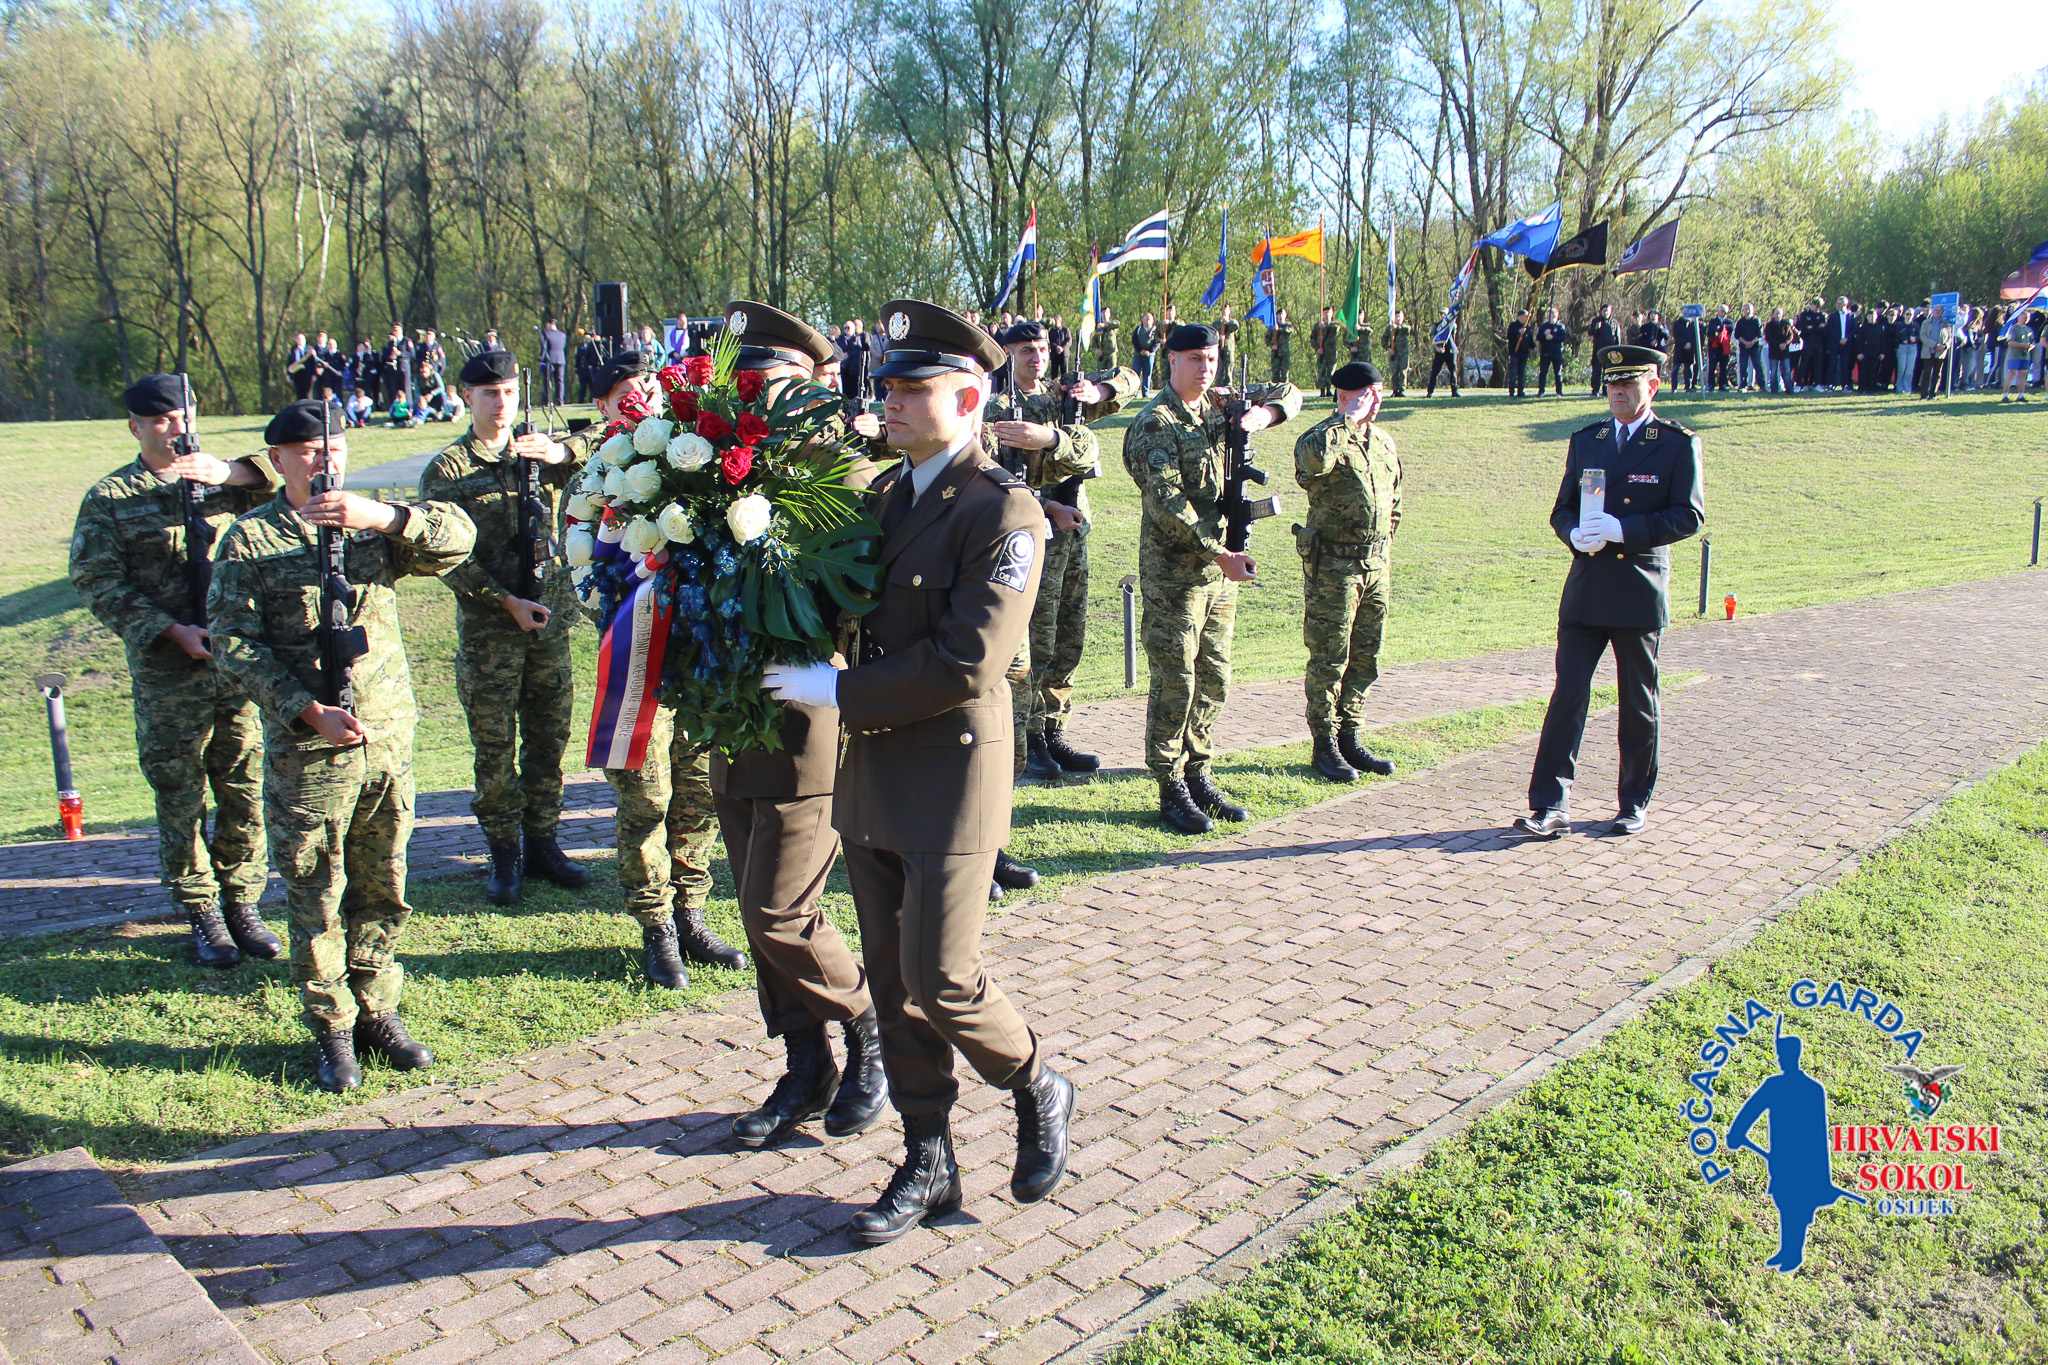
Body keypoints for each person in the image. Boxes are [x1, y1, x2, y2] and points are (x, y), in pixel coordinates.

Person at [756, 299, 1074, 1244]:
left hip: (952, 776)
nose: (889, 401)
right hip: (874, 775)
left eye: (911, 388)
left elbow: (968, 659)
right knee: (893, 985)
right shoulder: (883, 498)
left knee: (944, 976)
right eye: (887, 386)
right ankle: (928, 1159)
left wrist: (837, 689)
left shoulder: (1003, 510)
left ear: (968, 398)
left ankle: (1035, 1080)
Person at [210, 399, 477, 1090]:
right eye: (305, 451)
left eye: (332, 448)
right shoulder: (250, 539)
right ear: (278, 461)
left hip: (384, 738)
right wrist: (304, 710)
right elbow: (232, 644)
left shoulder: (371, 522)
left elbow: (458, 540)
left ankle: (377, 1007)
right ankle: (332, 1026)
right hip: (310, 751)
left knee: (384, 884)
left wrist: (384, 517)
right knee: (317, 892)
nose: (321, 460)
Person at [695, 301, 889, 1150]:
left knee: (781, 910)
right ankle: (806, 1065)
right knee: (752, 908)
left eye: (767, 382)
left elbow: (865, 596)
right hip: (730, 719)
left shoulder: (845, 476)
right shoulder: (709, 470)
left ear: (809, 385)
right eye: (740, 381)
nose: (751, 397)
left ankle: (871, 1028)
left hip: (810, 719)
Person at [69, 375, 282, 968]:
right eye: (160, 420)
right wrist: (169, 631)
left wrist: (226, 472)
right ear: (135, 426)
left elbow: (282, 478)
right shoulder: (112, 497)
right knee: (179, 789)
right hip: (169, 670)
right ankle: (201, 910)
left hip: (235, 664)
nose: (175, 429)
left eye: (184, 416)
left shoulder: (219, 480)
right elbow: (96, 580)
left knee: (243, 784)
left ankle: (243, 902)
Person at [582, 351, 751, 987]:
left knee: (699, 790)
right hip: (637, 666)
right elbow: (584, 573)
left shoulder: (693, 459)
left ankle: (692, 914)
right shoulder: (596, 479)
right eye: (624, 394)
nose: (640, 400)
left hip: (697, 658)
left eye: (647, 388)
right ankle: (656, 927)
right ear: (604, 406)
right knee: (645, 798)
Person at [416, 349, 594, 909]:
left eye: (510, 392)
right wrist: (504, 601)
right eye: (490, 393)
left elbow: (613, 439)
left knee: (548, 741)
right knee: (494, 749)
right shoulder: (448, 470)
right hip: (490, 633)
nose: (501, 403)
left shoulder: (538, 451)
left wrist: (562, 450)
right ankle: (504, 853)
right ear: (466, 396)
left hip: (549, 626)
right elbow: (442, 557)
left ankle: (543, 843)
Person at [1514, 344, 1704, 840]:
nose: (1616, 392)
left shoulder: (1676, 443)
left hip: (1638, 587)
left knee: (1636, 701)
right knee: (1567, 696)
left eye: (1627, 384)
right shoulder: (1588, 440)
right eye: (1611, 384)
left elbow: (1689, 515)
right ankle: (1550, 805)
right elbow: (1562, 508)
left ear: (1653, 386)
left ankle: (1633, 802)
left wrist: (1626, 530)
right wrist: (1572, 533)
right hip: (1587, 587)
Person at [1123, 322, 1302, 833]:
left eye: (1211, 358)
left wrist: (1263, 414)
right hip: (1175, 575)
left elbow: (1290, 392)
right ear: (1171, 361)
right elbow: (1168, 504)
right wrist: (1219, 552)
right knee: (1175, 680)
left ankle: (1198, 770)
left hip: (1218, 574)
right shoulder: (1155, 424)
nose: (1205, 368)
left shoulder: (1219, 405)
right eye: (1195, 359)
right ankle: (1169, 784)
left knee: (1214, 675)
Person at [987, 321, 1134, 788]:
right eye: (1026, 350)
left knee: (1070, 637)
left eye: (1042, 349)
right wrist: (1047, 505)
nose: (1036, 358)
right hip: (1032, 540)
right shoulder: (998, 408)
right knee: (1037, 643)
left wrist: (1099, 391)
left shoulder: (1064, 395)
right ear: (1008, 355)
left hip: (1073, 539)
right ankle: (1028, 738)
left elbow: (1131, 381)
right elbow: (994, 477)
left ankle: (1054, 730)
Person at [1295, 362, 1401, 784]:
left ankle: (1351, 735)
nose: (1376, 402)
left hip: (1375, 565)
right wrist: (1346, 419)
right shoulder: (1324, 438)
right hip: (1334, 568)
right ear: (1345, 396)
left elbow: (1394, 503)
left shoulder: (1383, 441)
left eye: (1379, 394)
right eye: (1368, 395)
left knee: (1365, 655)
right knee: (1329, 657)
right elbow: (1312, 464)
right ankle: (1324, 743)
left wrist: (1382, 548)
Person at [1917, 304, 1953, 399]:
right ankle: (1924, 393)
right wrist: (1934, 345)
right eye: (1936, 310)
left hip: (1940, 353)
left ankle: (1933, 393)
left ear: (1942, 312)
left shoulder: (1946, 324)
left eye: (1939, 310)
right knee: (1926, 373)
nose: (1937, 312)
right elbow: (1923, 336)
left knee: (1937, 374)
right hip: (1928, 351)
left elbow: (1950, 337)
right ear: (1933, 311)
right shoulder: (1926, 322)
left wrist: (1945, 346)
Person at [1584, 304, 1620, 393]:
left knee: (1608, 371)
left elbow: (1618, 336)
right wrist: (1596, 328)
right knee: (1597, 370)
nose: (1606, 312)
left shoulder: (1614, 322)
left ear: (1611, 312)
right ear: (1601, 311)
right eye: (1604, 310)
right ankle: (1595, 390)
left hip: (1611, 350)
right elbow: (1590, 332)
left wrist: (1617, 349)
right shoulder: (1596, 321)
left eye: (1608, 311)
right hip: (1599, 350)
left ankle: (1606, 390)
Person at [1535, 307, 1569, 397]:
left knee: (1558, 373)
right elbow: (1538, 337)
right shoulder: (1544, 326)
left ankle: (1559, 391)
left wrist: (1553, 337)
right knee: (1543, 372)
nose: (1550, 317)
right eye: (1548, 315)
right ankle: (1541, 391)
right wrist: (1544, 334)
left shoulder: (1560, 327)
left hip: (1556, 352)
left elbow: (1563, 338)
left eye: (1552, 315)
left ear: (1556, 315)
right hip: (1545, 352)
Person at [1795, 298, 1828, 390]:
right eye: (1816, 306)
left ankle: (1817, 383)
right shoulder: (1804, 315)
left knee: (1818, 363)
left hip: (1818, 342)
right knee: (1803, 363)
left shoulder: (1822, 315)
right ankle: (1798, 384)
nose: (1817, 308)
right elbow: (1804, 329)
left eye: (1819, 307)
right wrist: (1816, 327)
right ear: (1812, 304)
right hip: (1807, 342)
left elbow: (1824, 330)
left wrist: (1812, 327)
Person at [1424, 315, 1459, 397]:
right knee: (1435, 371)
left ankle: (1455, 391)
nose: (1443, 315)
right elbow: (1432, 338)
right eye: (1441, 314)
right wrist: (1437, 348)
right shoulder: (1436, 325)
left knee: (1453, 371)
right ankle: (1430, 391)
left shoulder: (1452, 324)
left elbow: (1454, 330)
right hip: (1440, 351)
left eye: (1444, 314)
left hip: (1451, 350)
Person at [1310, 305, 1342, 397]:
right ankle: (1322, 390)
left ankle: (1329, 389)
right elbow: (1312, 338)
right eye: (1325, 312)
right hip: (1322, 352)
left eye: (1329, 312)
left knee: (1331, 372)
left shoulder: (1335, 324)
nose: (1327, 314)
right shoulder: (1318, 326)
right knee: (1321, 371)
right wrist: (1317, 348)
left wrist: (1325, 326)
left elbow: (1335, 329)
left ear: (1332, 313)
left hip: (1332, 352)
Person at [1827, 296, 1856, 390]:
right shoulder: (1832, 316)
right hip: (1835, 343)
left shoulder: (1851, 316)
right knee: (1832, 364)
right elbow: (1830, 329)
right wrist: (1838, 339)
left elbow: (1854, 329)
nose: (1838, 305)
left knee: (1845, 365)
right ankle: (1830, 384)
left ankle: (1845, 385)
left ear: (1845, 304)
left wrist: (1846, 338)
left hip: (1847, 344)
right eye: (1837, 303)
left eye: (1840, 303)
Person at [1733, 304, 1764, 391]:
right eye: (1746, 309)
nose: (1747, 311)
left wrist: (1752, 342)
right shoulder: (1740, 322)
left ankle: (1761, 385)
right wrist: (1745, 342)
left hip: (1754, 347)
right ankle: (1743, 385)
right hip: (1743, 347)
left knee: (1758, 366)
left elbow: (1760, 334)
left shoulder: (1756, 321)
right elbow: (1737, 335)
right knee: (1743, 367)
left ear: (1753, 310)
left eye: (1749, 309)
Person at [1762, 308, 1793, 393]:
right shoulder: (1769, 325)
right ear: (1773, 314)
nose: (1778, 315)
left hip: (1784, 351)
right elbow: (1768, 337)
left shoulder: (1786, 324)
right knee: (1773, 371)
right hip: (1774, 351)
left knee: (1787, 370)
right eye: (1776, 313)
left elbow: (1790, 335)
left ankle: (1789, 388)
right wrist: (1778, 344)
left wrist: (1785, 343)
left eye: (1779, 313)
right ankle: (1774, 389)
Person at [1505, 308, 1533, 398]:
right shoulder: (1513, 326)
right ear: (1520, 317)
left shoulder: (1528, 327)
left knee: (1522, 373)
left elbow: (1530, 340)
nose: (1527, 318)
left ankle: (1520, 391)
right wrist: (1518, 332)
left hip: (1524, 354)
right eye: (1525, 316)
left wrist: (1534, 346)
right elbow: (1509, 336)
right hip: (1515, 353)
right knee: (1513, 373)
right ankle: (1511, 392)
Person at [540, 318, 568, 405]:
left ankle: (548, 401)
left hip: (550, 360)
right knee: (560, 381)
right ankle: (560, 400)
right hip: (561, 359)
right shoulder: (563, 335)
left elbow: (544, 348)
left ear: (549, 324)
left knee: (548, 381)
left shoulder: (546, 334)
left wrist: (541, 359)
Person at [1706, 306, 1734, 392]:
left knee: (1724, 367)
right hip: (1714, 347)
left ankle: (1722, 384)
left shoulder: (1729, 322)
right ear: (1718, 312)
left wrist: (1722, 328)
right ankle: (1711, 384)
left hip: (1724, 348)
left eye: (1726, 312)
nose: (1724, 313)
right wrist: (1719, 330)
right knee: (1712, 366)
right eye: (1722, 311)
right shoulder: (1713, 321)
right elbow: (1711, 332)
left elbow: (1731, 330)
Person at [1131, 311, 1159, 396]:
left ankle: (1145, 393)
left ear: (1153, 321)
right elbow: (1134, 340)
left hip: (1150, 356)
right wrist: (1140, 350)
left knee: (1147, 374)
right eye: (1146, 319)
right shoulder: (1138, 329)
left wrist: (1150, 351)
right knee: (1135, 375)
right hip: (1138, 355)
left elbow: (1157, 343)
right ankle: (1134, 393)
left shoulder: (1156, 330)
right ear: (1143, 320)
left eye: (1149, 319)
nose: (1147, 321)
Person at [1386, 311, 1411, 396]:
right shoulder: (1390, 328)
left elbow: (1407, 329)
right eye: (1396, 316)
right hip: (1394, 354)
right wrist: (1388, 348)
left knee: (1403, 371)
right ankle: (1395, 390)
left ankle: (1402, 389)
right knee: (1394, 372)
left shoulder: (1405, 327)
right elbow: (1384, 340)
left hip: (1404, 353)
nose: (1398, 318)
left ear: (1403, 317)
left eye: (1400, 316)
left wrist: (1397, 327)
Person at [1268, 307, 1295, 384]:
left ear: (1285, 315)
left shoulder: (1288, 325)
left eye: (1282, 314)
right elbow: (1267, 338)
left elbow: (1289, 331)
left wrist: (1279, 329)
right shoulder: (1272, 327)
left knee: (1284, 373)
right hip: (1275, 353)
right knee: (1275, 373)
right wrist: (1271, 345)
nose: (1280, 316)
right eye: (1279, 314)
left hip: (1285, 352)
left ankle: (1284, 388)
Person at [574, 330, 603, 403]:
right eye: (585, 338)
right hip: (583, 371)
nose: (586, 339)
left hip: (590, 370)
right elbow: (578, 360)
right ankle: (581, 401)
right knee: (582, 388)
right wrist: (576, 371)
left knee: (592, 386)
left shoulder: (594, 346)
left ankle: (591, 401)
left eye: (588, 338)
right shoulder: (580, 348)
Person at [286, 334, 317, 400]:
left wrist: (314, 374)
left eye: (302, 339)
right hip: (297, 374)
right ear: (296, 340)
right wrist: (288, 374)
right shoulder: (293, 350)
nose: (300, 341)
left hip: (308, 375)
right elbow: (289, 363)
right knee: (299, 394)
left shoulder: (309, 349)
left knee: (308, 394)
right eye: (299, 339)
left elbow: (314, 363)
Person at [1215, 304, 1240, 380]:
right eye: (1223, 309)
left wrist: (1226, 321)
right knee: (1219, 366)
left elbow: (1235, 327)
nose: (1225, 311)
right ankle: (1218, 382)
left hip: (1229, 347)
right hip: (1219, 347)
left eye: (1227, 309)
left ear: (1229, 311)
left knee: (1229, 364)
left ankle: (1228, 382)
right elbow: (1214, 330)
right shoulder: (1217, 323)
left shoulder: (1232, 322)